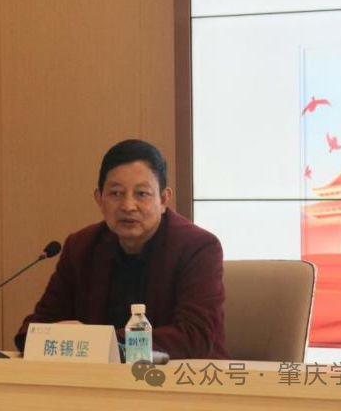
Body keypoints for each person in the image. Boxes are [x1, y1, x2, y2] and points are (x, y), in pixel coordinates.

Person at [14, 139, 229, 359]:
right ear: (99, 199)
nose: (128, 206)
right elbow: (35, 328)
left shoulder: (198, 248)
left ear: (164, 199)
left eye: (142, 194)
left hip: (181, 376)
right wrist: (52, 337)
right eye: (116, 193)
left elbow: (193, 337)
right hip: (98, 378)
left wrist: (95, 340)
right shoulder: (81, 247)